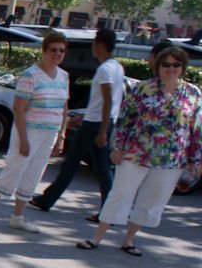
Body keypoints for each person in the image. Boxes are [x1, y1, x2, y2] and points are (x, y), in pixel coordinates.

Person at [76, 45, 202, 256]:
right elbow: (125, 120)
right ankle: (96, 237)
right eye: (166, 64)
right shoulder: (143, 88)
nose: (170, 68)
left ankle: (129, 240)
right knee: (119, 194)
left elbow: (196, 129)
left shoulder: (193, 93)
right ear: (158, 66)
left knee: (152, 201)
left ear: (183, 67)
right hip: (136, 153)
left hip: (171, 160)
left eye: (175, 64)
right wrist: (117, 148)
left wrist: (196, 159)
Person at [0, 31, 70, 232]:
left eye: (61, 51)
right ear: (44, 51)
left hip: (50, 133)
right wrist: (24, 139)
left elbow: (64, 107)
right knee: (15, 169)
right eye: (53, 50)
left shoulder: (64, 76)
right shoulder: (31, 75)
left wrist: (61, 135)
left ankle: (18, 215)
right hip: (29, 132)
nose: (57, 54)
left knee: (35, 172)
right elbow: (19, 108)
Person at [30, 28, 125, 219]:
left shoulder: (105, 69)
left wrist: (102, 130)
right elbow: (103, 102)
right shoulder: (117, 67)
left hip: (95, 125)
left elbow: (108, 100)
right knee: (102, 168)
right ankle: (110, 210)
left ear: (99, 45)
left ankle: (47, 199)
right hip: (98, 121)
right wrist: (83, 117)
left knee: (72, 163)